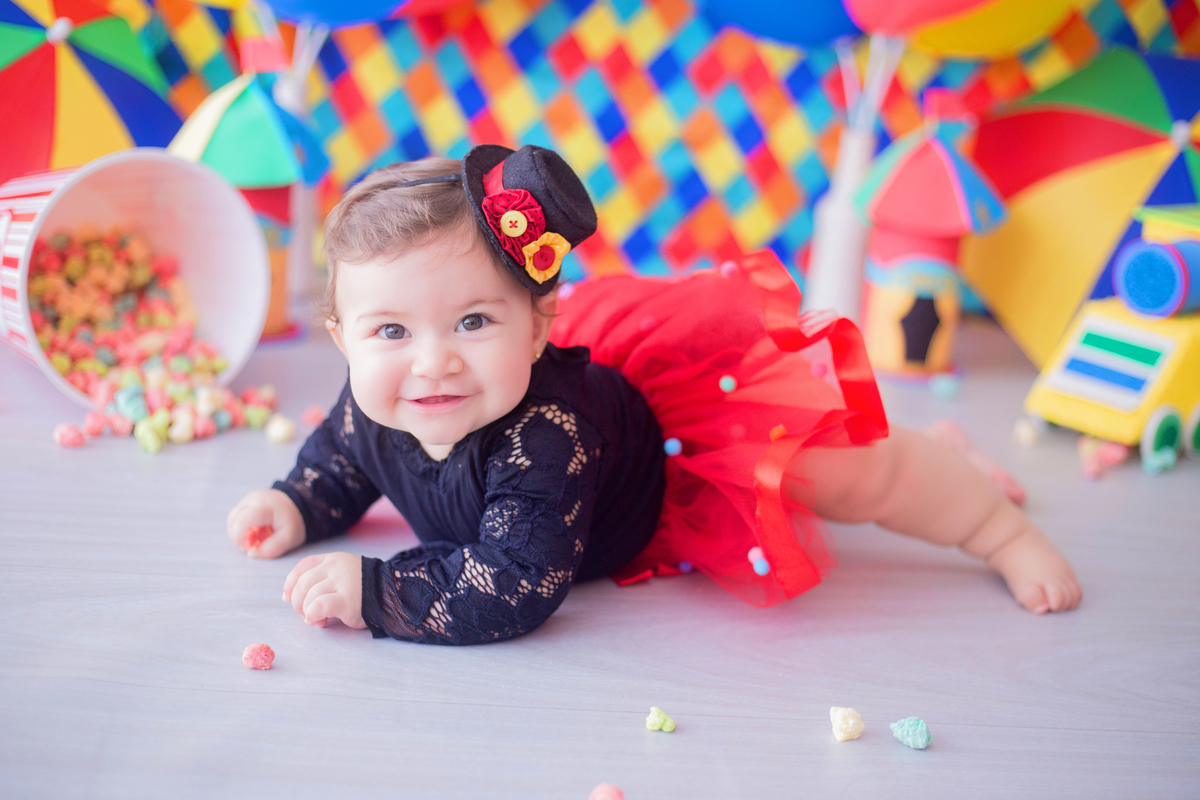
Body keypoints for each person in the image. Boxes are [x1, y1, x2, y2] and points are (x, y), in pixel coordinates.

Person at [226, 145, 1081, 646]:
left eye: (474, 321)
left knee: (847, 475)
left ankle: (989, 522)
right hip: (597, 459)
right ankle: (952, 460)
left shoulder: (543, 438)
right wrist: (298, 504)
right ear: (343, 341)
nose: (433, 364)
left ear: (536, 326)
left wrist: (378, 595)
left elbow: (516, 584)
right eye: (391, 334)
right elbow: (341, 458)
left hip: (674, 460)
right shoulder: (373, 406)